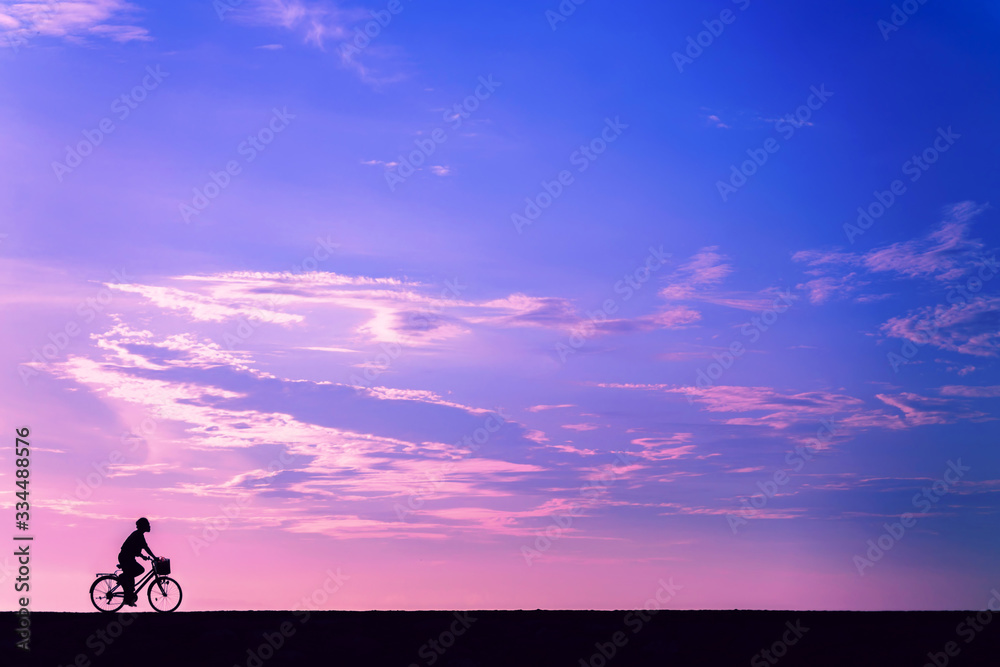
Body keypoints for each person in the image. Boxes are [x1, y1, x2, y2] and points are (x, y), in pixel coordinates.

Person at [119, 517, 156, 607]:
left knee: (132, 576)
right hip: (125, 558)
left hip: (128, 557)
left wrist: (142, 556)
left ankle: (128, 597)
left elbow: (137, 548)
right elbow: (145, 548)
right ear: (143, 526)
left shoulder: (139, 535)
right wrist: (154, 557)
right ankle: (123, 580)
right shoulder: (138, 535)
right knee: (138, 570)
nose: (149, 526)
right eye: (147, 524)